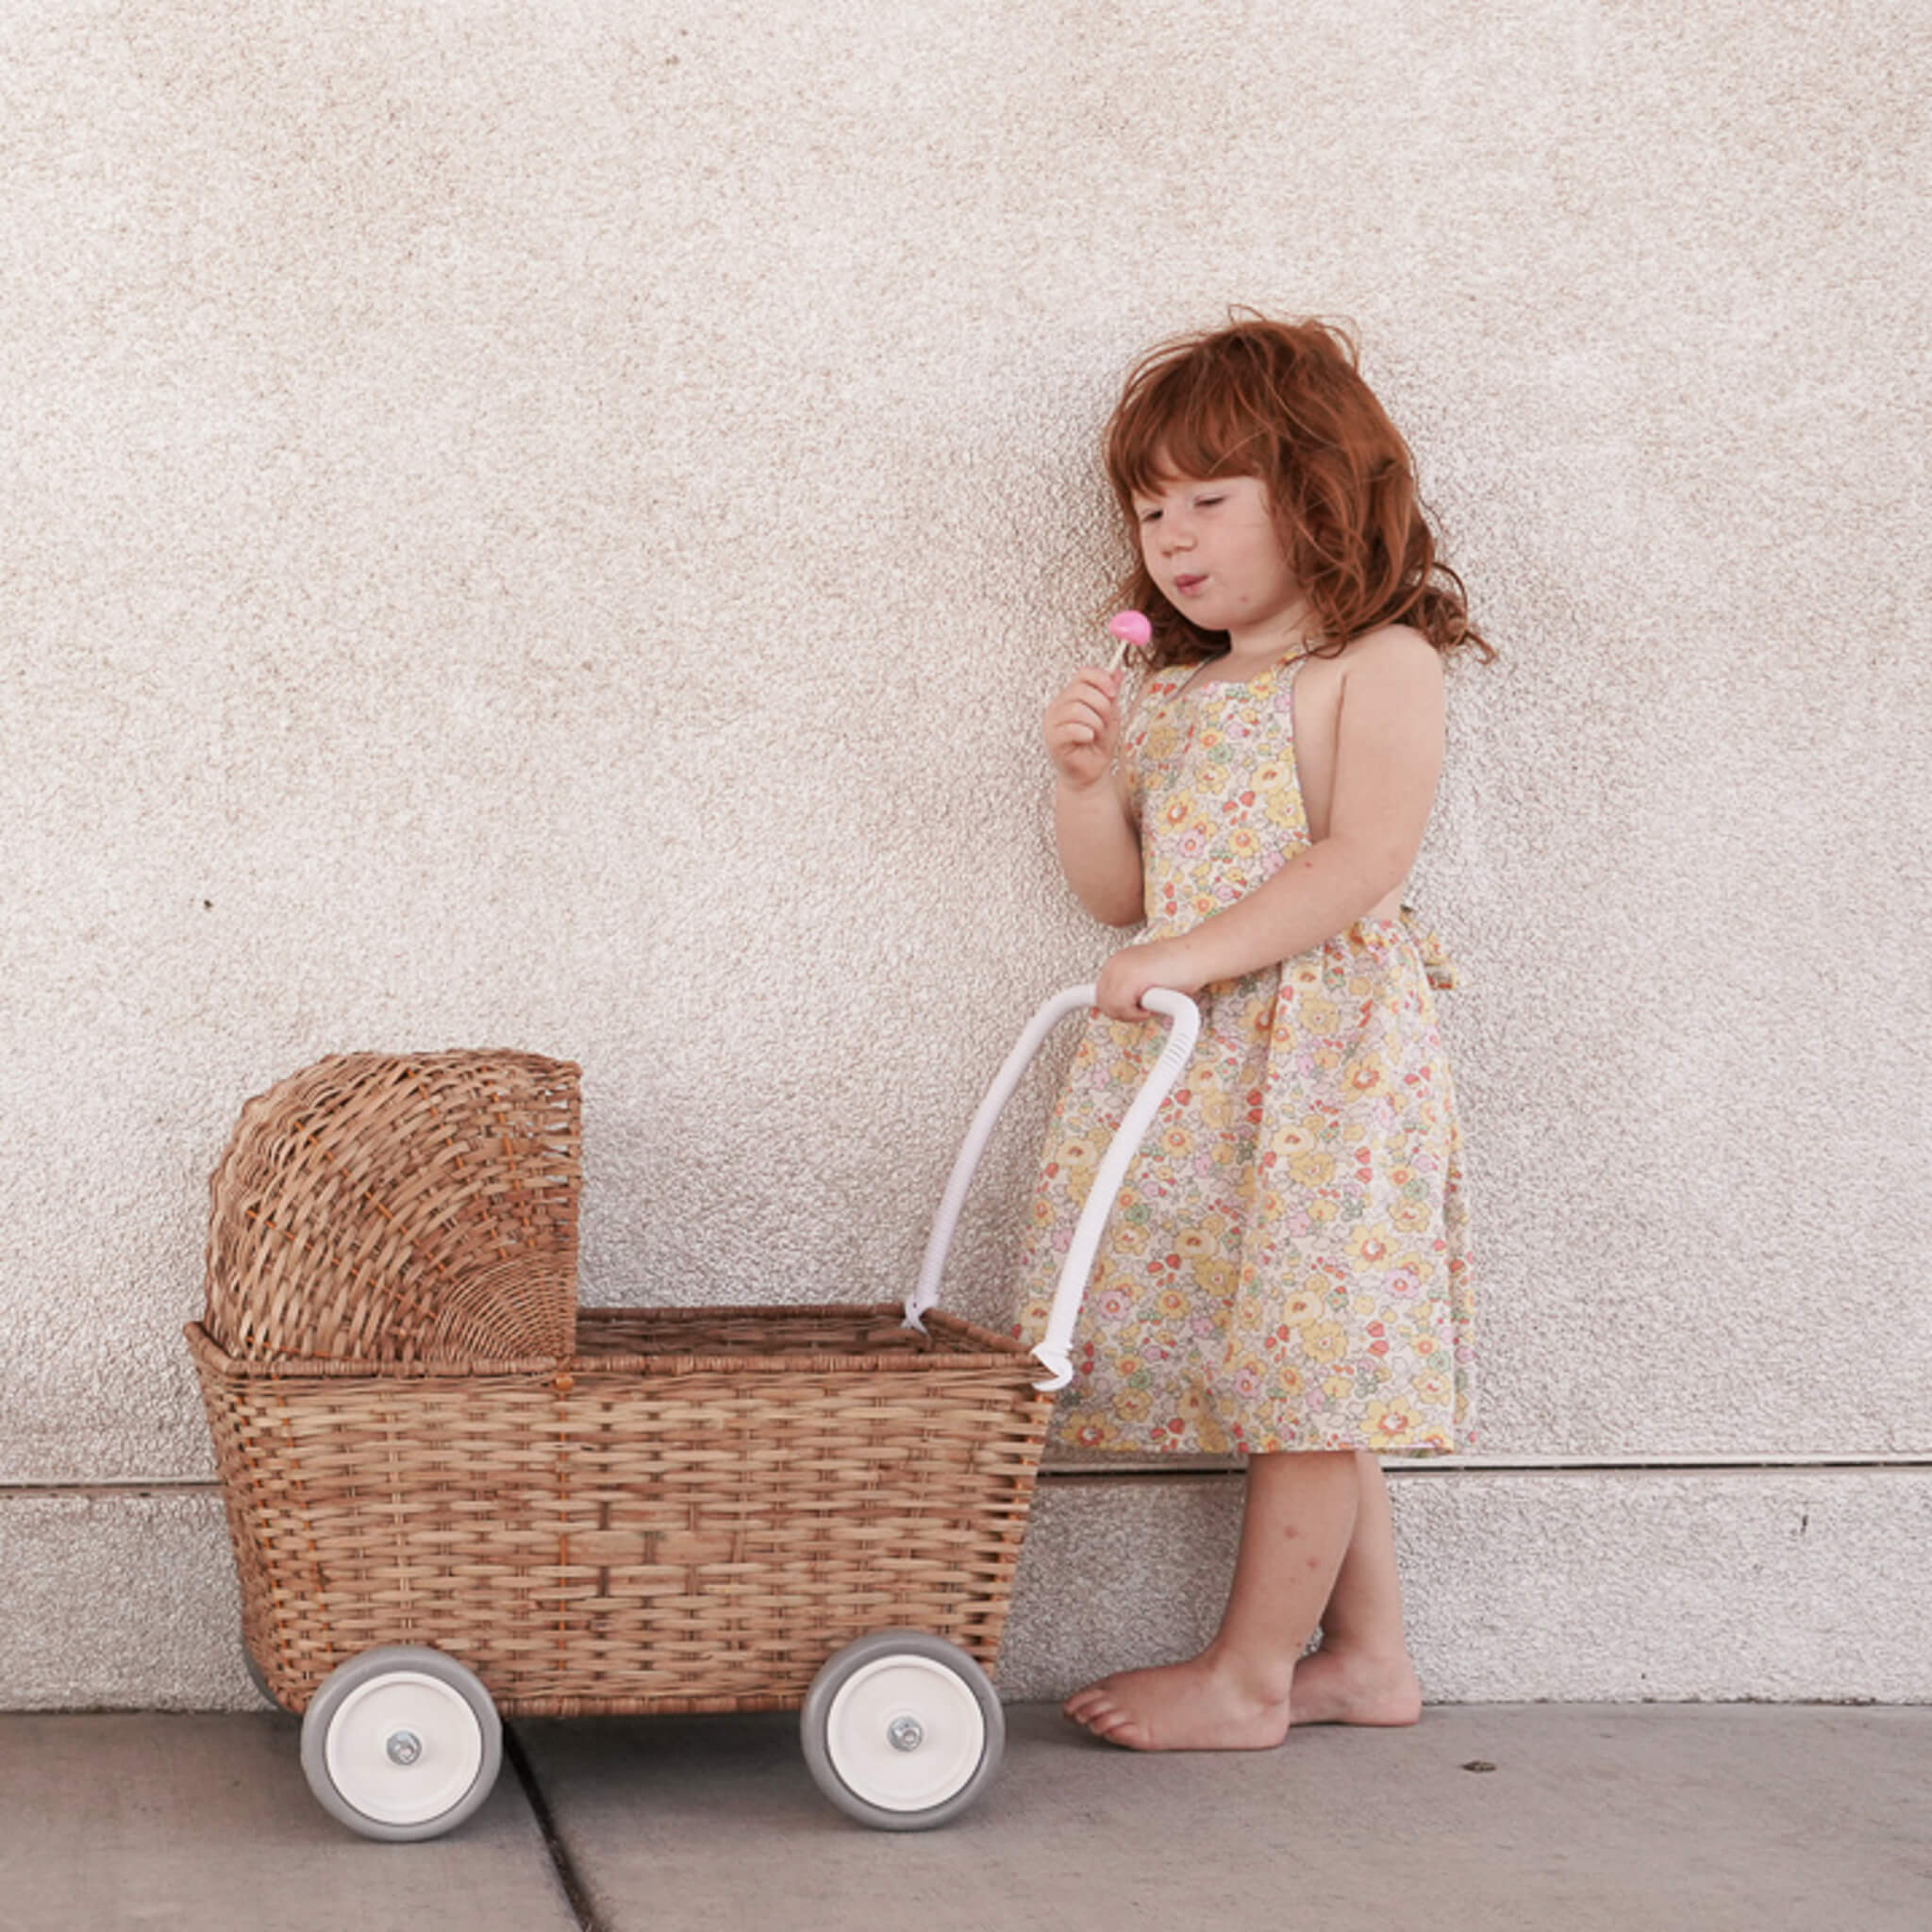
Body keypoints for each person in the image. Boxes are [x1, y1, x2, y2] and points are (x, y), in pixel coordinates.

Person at [1017, 313, 1491, 1752]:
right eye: (1149, 509)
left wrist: (1186, 958)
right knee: (1299, 1358)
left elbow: (1363, 861)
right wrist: (1087, 784)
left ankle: (1253, 1676)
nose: (1172, 537)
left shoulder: (1374, 664)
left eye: (1209, 499)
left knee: (1312, 1365)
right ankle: (1370, 1660)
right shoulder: (1173, 693)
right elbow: (1119, 896)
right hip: (1205, 1067)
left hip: (1325, 1062)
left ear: (1319, 494)